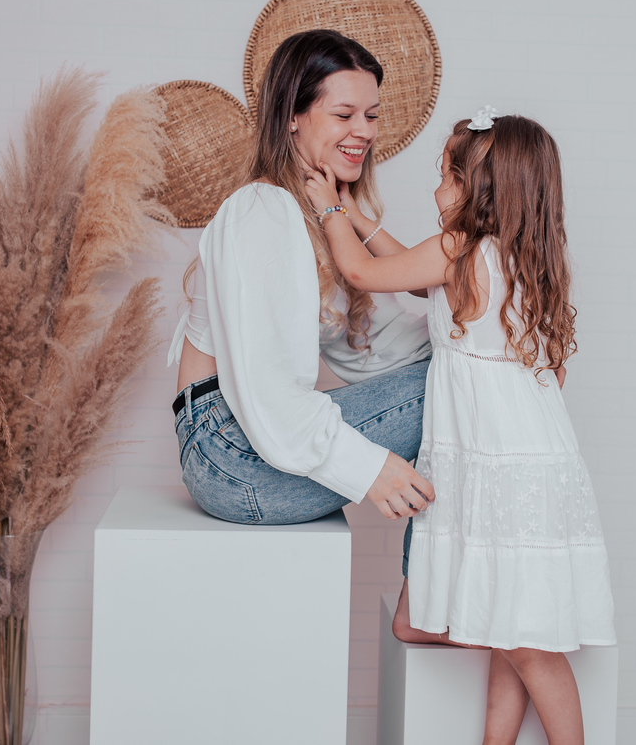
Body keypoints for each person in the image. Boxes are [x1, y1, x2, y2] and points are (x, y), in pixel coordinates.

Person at [304, 108, 616, 745]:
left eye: (448, 175)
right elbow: (412, 270)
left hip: (497, 463)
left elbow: (365, 274)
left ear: (483, 191)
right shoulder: (522, 261)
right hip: (530, 459)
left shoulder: (457, 252)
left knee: (527, 646)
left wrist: (331, 210)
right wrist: (360, 218)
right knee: (512, 629)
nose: (437, 187)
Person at [168, 29, 436, 526]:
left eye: (372, 115)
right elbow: (267, 389)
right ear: (292, 115)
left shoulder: (321, 214)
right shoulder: (261, 210)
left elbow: (380, 345)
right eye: (344, 115)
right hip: (229, 453)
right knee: (458, 384)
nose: (364, 131)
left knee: (463, 371)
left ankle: (433, 573)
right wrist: (368, 469)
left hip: (249, 444)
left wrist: (486, 341)